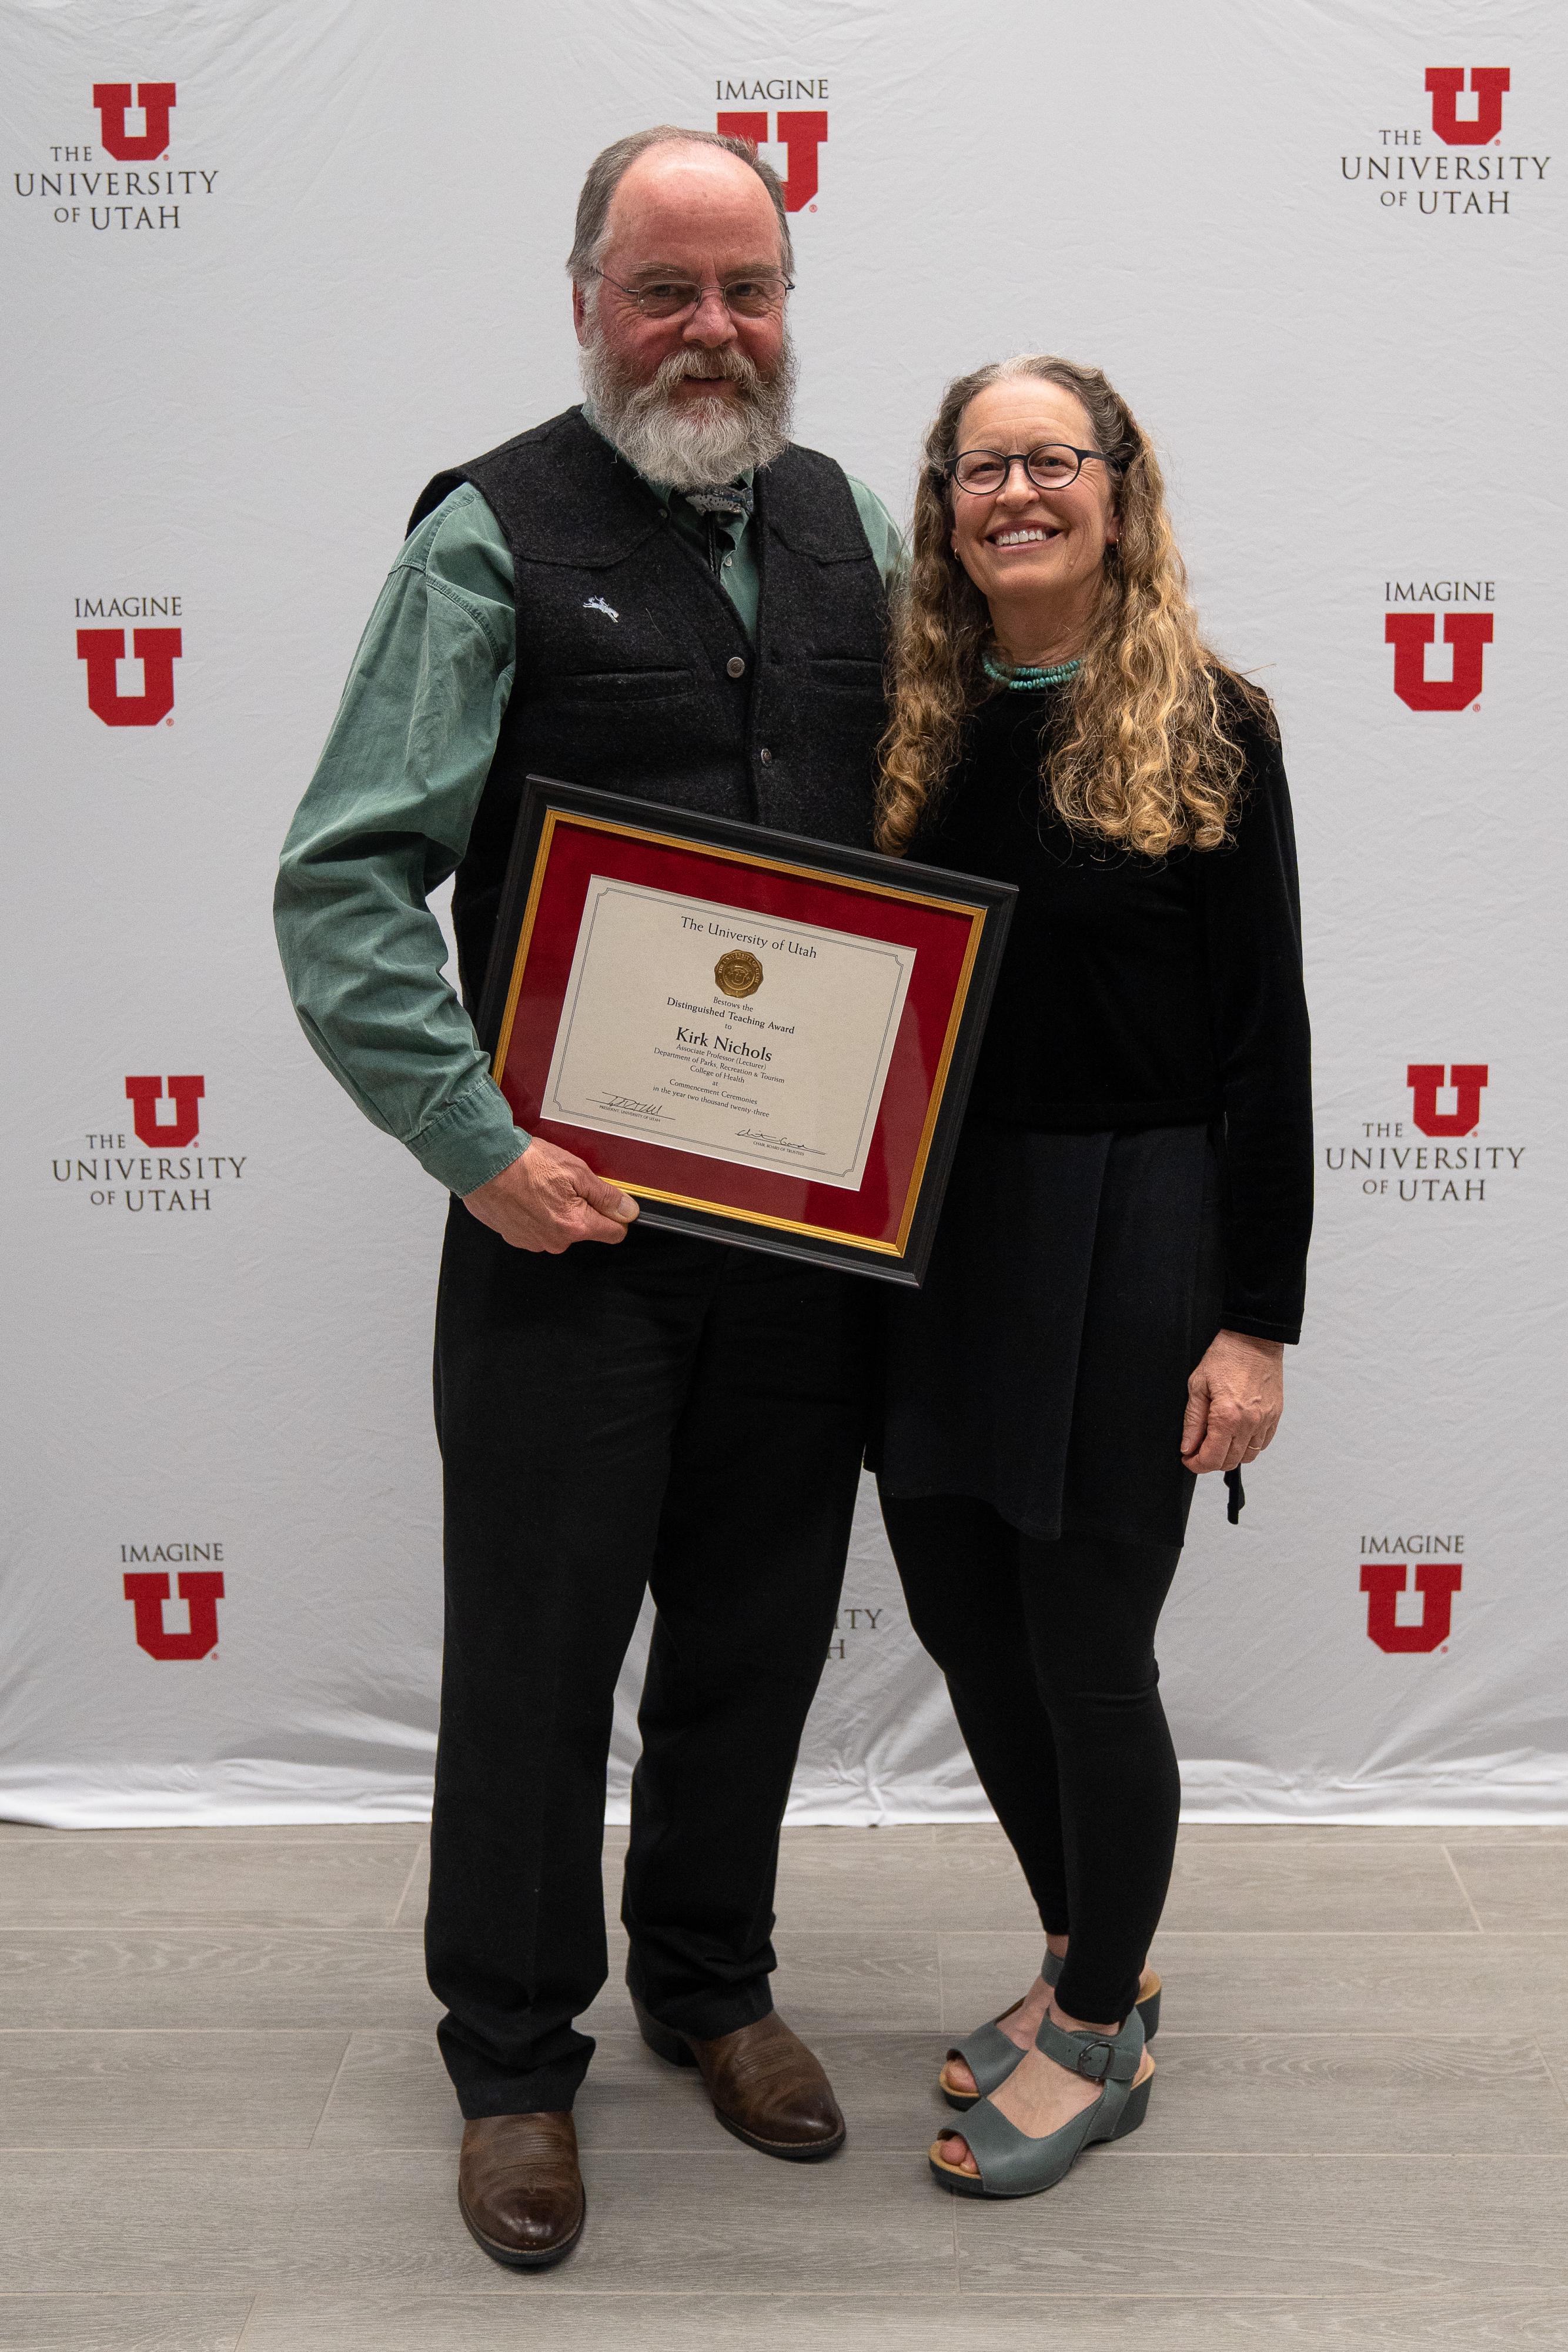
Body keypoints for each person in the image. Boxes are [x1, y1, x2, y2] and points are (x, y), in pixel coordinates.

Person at [275, 126, 900, 2269]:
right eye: (666, 289)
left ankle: (710, 1990)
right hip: (568, 1233)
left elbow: (911, 856)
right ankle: (516, 2063)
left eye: (747, 287)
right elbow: (350, 874)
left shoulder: (843, 524)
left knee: (749, 1638)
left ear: (788, 302)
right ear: (586, 303)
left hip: (807, 1245)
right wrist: (483, 1152)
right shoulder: (488, 536)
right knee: (539, 1657)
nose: (711, 329)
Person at [871, 355, 1312, 2199]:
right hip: (931, 1238)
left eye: (1055, 459)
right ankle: (1089, 1964)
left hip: (1136, 1233)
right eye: (984, 466)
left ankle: (1099, 2036)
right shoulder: (899, 725)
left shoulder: (1214, 723)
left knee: (1085, 1655)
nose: (1017, 492)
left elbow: (1264, 1046)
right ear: (943, 506)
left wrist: (1253, 1321)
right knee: (971, 1635)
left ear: (1117, 493)